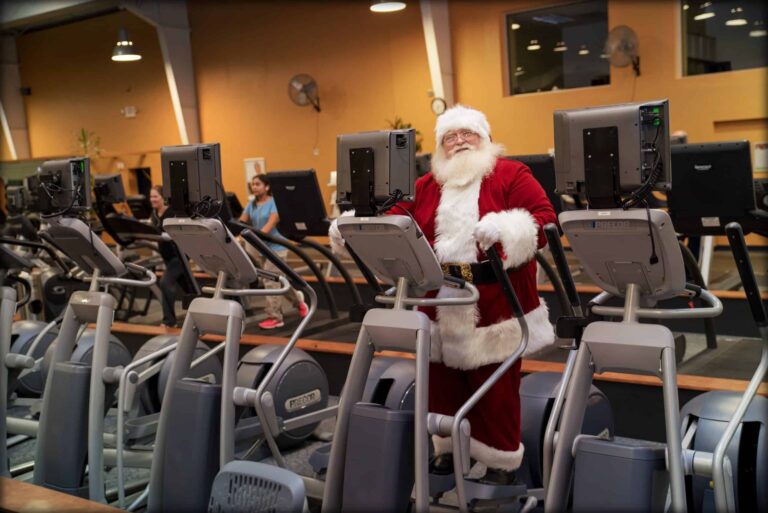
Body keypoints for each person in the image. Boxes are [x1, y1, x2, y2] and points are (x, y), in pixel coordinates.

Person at [331, 105, 557, 484]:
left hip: (495, 301)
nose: (459, 142)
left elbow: (545, 217)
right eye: (449, 137)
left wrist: (508, 228)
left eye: (467, 133)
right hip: (438, 298)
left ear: (484, 138)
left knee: (496, 389)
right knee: (441, 382)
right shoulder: (426, 185)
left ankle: (499, 459)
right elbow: (396, 218)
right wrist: (354, 225)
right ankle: (449, 448)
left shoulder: (510, 173)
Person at [240, 174, 308, 329]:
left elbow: (269, 226)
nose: (254, 186)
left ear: (267, 186)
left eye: (258, 184)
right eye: (253, 184)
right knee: (279, 280)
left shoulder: (274, 203)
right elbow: (241, 222)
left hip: (277, 248)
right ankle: (298, 300)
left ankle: (275, 317)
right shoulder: (251, 205)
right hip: (261, 248)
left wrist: (252, 237)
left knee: (270, 281)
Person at [149, 185, 186, 328]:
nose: (152, 199)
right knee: (189, 288)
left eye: (155, 196)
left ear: (163, 198)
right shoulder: (154, 213)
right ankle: (203, 312)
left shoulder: (172, 213)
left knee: (165, 283)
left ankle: (169, 321)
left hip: (179, 255)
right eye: (151, 196)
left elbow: (178, 233)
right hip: (167, 257)